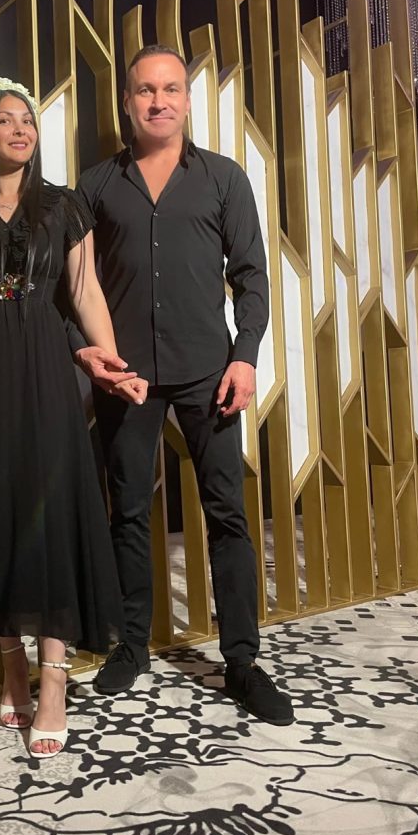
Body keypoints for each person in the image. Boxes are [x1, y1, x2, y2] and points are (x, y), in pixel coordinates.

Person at [0, 78, 146, 758]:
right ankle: (11, 668)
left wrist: (110, 360)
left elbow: (84, 289)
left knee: (49, 518)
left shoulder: (63, 206)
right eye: (7, 120)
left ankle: (52, 682)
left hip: (46, 367)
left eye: (29, 120)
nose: (21, 129)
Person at [71, 45, 294, 726]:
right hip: (128, 379)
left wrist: (245, 357)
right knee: (128, 514)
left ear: (188, 101)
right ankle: (131, 647)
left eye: (170, 89)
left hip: (209, 372)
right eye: (145, 90)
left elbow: (252, 277)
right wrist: (86, 353)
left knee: (227, 515)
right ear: (128, 102)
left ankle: (242, 662)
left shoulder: (224, 178)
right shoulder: (95, 187)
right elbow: (70, 285)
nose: (158, 100)